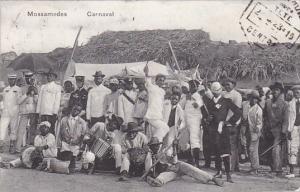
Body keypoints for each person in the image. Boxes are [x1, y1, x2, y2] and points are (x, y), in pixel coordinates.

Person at [146, 137, 224, 187]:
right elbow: (149, 169)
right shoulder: (149, 156)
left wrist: (174, 147)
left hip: (177, 166)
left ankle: (212, 178)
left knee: (191, 169)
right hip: (170, 171)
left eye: (157, 145)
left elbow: (175, 160)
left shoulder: (163, 152)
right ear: (151, 147)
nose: (156, 147)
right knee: (166, 175)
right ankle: (158, 181)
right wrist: (150, 174)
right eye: (154, 145)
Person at [206, 82, 241, 182]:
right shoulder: (210, 102)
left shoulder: (226, 101)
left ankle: (228, 174)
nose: (216, 93)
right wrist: (208, 119)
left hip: (223, 129)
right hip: (213, 129)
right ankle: (219, 171)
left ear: (221, 90)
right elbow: (207, 116)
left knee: (225, 151)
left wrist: (229, 122)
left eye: (218, 91)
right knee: (217, 151)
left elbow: (238, 112)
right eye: (214, 92)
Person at [264, 82, 289, 176]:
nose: (274, 91)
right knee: (268, 149)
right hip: (268, 129)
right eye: (273, 89)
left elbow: (286, 119)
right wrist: (264, 127)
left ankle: (278, 170)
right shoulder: (268, 102)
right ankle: (272, 167)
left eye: (277, 90)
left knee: (276, 149)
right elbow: (265, 116)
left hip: (278, 130)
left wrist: (283, 131)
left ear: (281, 92)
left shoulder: (285, 104)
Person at [143, 64, 169, 143]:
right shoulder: (151, 87)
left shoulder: (163, 91)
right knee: (165, 128)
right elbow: (147, 80)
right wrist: (147, 72)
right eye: (160, 80)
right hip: (151, 115)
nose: (161, 82)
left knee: (160, 131)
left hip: (159, 115)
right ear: (156, 80)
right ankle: (153, 142)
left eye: (162, 80)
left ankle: (156, 147)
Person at [59, 105, 87, 173]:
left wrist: (79, 142)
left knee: (73, 156)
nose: (75, 111)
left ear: (80, 112)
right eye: (74, 109)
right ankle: (66, 166)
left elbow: (83, 133)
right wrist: (61, 141)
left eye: (78, 111)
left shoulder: (82, 122)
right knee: (65, 156)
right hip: (65, 142)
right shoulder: (64, 119)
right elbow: (60, 131)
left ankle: (72, 166)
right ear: (71, 109)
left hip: (76, 143)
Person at [222, 78, 242, 172]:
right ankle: (235, 166)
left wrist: (231, 122)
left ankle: (231, 167)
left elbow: (237, 111)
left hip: (232, 123)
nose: (226, 86)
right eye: (225, 85)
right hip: (224, 123)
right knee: (228, 145)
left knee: (232, 145)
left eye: (228, 84)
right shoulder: (223, 94)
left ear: (233, 84)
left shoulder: (237, 95)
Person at [16, 72, 39, 152]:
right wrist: (27, 94)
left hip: (33, 112)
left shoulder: (36, 88)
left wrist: (35, 93)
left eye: (30, 78)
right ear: (24, 78)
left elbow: (37, 102)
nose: (28, 79)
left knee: (32, 130)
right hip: (24, 112)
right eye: (27, 77)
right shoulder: (21, 88)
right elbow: (18, 101)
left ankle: (31, 149)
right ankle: (18, 148)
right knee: (21, 130)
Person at [0, 74, 22, 153]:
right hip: (5, 112)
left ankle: (12, 146)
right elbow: (3, 100)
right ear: (8, 80)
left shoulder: (18, 89)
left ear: (15, 80)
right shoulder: (5, 89)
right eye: (10, 79)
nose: (11, 81)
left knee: (13, 129)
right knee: (2, 128)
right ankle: (1, 145)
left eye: (13, 79)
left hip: (14, 112)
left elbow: (19, 101)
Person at [185, 80, 203, 168]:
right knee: (188, 140)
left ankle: (197, 162)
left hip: (194, 121)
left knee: (194, 140)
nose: (191, 87)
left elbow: (197, 106)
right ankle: (190, 159)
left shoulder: (197, 95)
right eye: (190, 85)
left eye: (193, 85)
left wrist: (191, 99)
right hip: (187, 120)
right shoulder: (188, 95)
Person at [36, 70, 62, 134]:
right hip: (43, 111)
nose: (48, 77)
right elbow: (40, 100)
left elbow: (57, 101)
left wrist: (55, 112)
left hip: (51, 112)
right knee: (42, 128)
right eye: (48, 76)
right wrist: (38, 111)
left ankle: (50, 143)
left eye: (50, 76)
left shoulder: (57, 87)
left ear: (54, 77)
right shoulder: (43, 86)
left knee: (50, 129)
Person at [162, 92, 185, 157]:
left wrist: (179, 127)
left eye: (176, 99)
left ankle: (171, 158)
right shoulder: (166, 105)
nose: (174, 100)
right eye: (172, 98)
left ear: (178, 100)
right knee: (162, 142)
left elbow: (182, 121)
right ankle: (162, 158)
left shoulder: (179, 109)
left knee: (169, 142)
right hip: (164, 126)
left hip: (173, 128)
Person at [285, 86, 300, 178]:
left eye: (298, 92)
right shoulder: (290, 104)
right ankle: (292, 171)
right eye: (295, 92)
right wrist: (289, 130)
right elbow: (289, 119)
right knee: (292, 148)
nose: (297, 94)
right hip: (293, 127)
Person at [247, 90, 263, 174]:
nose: (254, 100)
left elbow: (259, 122)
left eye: (256, 99)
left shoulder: (258, 109)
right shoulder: (248, 106)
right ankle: (253, 166)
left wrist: (257, 130)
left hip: (255, 131)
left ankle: (255, 168)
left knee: (253, 149)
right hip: (248, 130)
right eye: (253, 98)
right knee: (250, 150)